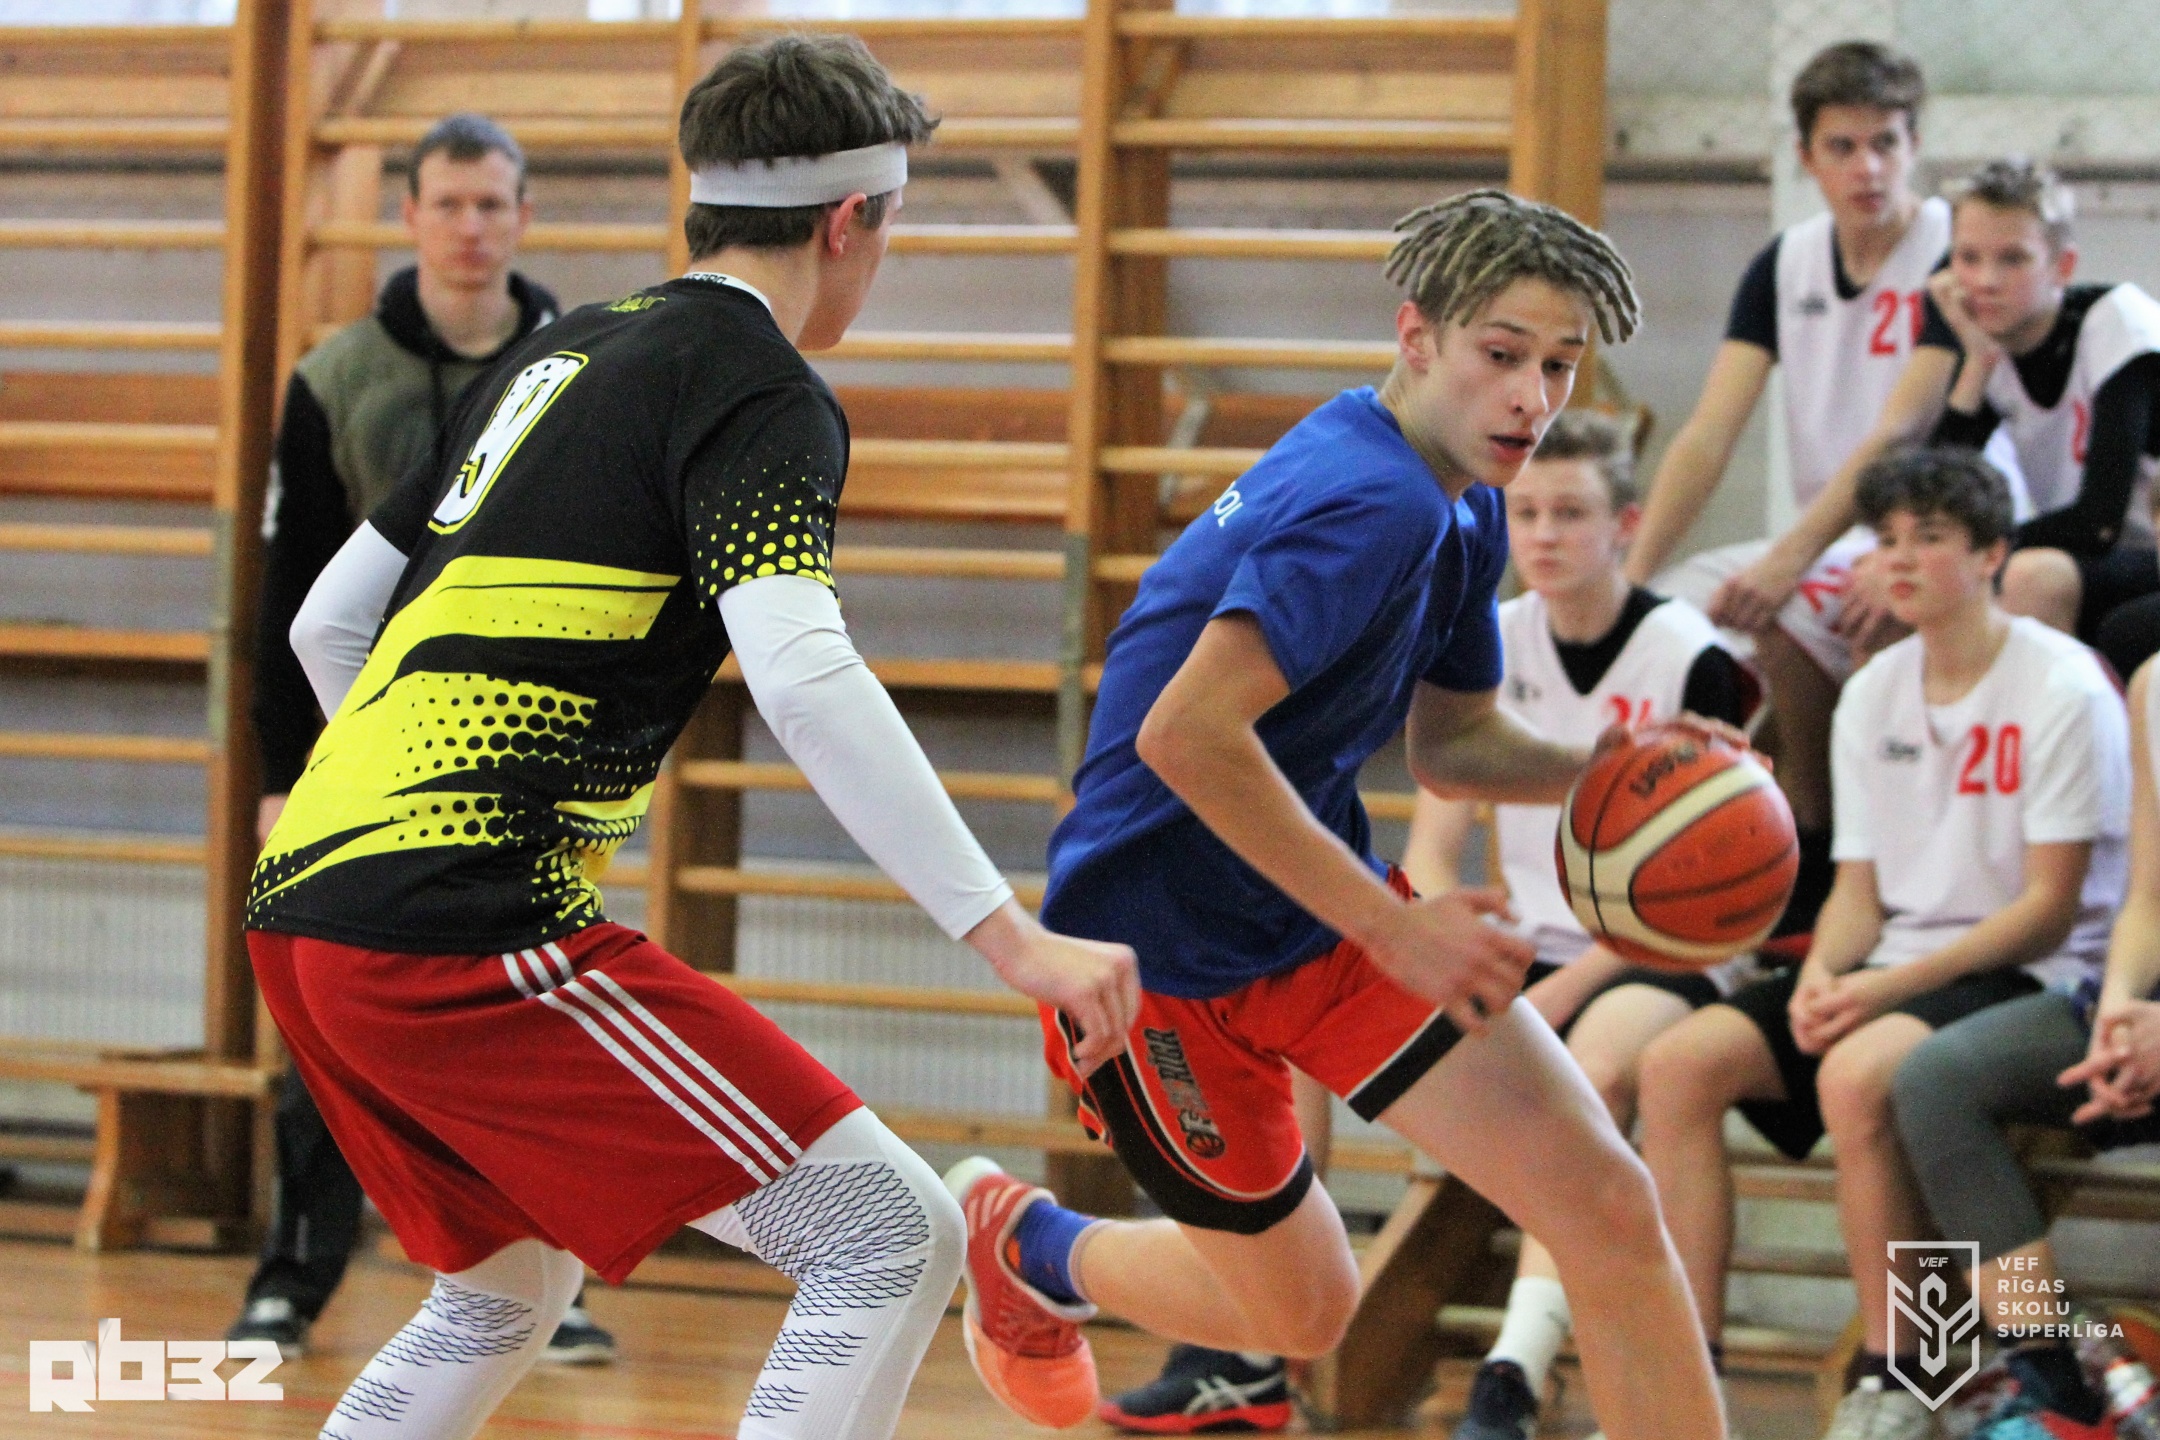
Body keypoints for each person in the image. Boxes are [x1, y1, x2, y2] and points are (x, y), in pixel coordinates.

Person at [243, 35, 1139, 1440]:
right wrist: (1011, 938)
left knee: (501, 1290)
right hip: (454, 923)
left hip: (304, 909)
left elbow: (327, 622)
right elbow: (804, 673)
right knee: (884, 1235)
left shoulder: (558, 352)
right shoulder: (760, 386)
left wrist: (391, 806)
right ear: (850, 221)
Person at [941, 189, 1730, 1440]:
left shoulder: (1462, 499)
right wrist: (1397, 926)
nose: (1533, 397)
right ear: (1417, 335)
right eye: (1503, 355)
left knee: (1607, 1207)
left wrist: (1617, 770)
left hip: (1312, 920)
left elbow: (1452, 743)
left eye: (1561, 365)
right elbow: (1187, 737)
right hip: (1158, 963)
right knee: (1304, 1312)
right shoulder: (1377, 499)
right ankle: (1027, 1243)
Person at [1635, 447, 2130, 1440]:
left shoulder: (2060, 685)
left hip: (2026, 968)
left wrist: (1877, 991)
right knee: (1677, 1065)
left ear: (1992, 555)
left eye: (1929, 538)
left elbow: (2048, 908)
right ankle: (1690, 1372)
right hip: (1898, 958)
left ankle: (1903, 1369)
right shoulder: (1873, 691)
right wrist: (1823, 973)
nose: (1898, 560)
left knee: (1860, 1077)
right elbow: (1858, 892)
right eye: (1886, 540)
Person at [229, 111, 604, 1362]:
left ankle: (555, 1278)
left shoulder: (583, 363)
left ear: (523, 216)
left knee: (532, 1013)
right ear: (410, 217)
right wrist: (284, 776)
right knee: (330, 1014)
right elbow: (289, 592)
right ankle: (292, 1277)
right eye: (448, 203)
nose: (470, 227)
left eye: (492, 203)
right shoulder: (338, 379)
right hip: (359, 750)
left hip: (520, 750)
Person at [1405, 409, 1761, 1439]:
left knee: (1590, 1073)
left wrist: (1551, 990)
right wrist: (1446, 938)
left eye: (1570, 513)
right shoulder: (1486, 636)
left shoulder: (1692, 656)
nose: (1544, 535)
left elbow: (1727, 857)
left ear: (1626, 524)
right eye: (1525, 514)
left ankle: (1515, 1369)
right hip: (1533, 948)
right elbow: (1431, 845)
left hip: (1667, 944)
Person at [1627, 42, 1955, 950]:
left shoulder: (1951, 254)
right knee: (1673, 618)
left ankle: (1826, 859)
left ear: (1915, 145)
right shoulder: (1785, 264)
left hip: (1926, 529)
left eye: (1886, 143)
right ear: (1806, 156)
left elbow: (1897, 432)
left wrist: (1786, 559)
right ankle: (1694, 854)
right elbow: (1708, 433)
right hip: (1827, 536)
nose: (1868, 168)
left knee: (1794, 605)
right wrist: (1629, 585)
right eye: (1843, 147)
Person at [1889, 650, 2160, 1438]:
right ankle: (2043, 1381)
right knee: (1929, 1079)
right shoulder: (2153, 684)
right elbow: (2147, 899)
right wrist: (2119, 1012)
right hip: (2143, 1005)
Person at [1921, 159, 2160, 668]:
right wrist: (1976, 363)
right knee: (1894, 578)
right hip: (2095, 559)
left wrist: (1978, 550)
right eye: (1968, 258)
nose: (1986, 281)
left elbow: (2101, 522)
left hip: (2144, 553)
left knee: (2030, 576)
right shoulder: (1993, 346)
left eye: (2013, 259)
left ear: (2062, 266)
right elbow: (1935, 499)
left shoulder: (2118, 324)